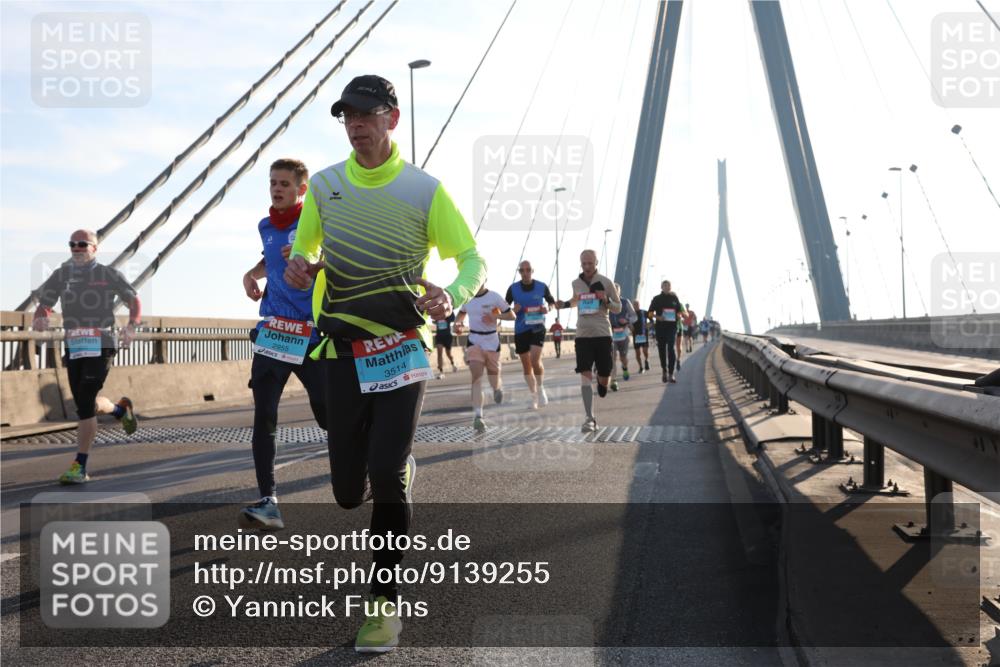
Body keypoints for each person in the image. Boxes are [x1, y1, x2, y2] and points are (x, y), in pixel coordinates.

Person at [285, 74, 486, 653]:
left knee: (389, 478)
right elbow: (306, 248)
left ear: (391, 119)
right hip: (343, 352)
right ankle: (387, 469)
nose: (355, 123)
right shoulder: (323, 187)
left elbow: (471, 257)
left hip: (401, 348)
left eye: (366, 113)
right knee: (349, 492)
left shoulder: (425, 191)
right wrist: (300, 265)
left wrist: (452, 292)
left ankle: (382, 607)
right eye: (347, 114)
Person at [239, 158, 328, 531]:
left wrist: (314, 265)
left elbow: (335, 259)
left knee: (330, 416)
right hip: (274, 330)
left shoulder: (317, 222)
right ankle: (268, 499)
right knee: (266, 418)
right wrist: (251, 274)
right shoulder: (265, 225)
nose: (276, 189)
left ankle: (376, 468)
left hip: (310, 334)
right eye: (272, 183)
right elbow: (268, 258)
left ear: (301, 189)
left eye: (284, 184)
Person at [32, 229, 140, 484]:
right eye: (72, 244)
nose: (77, 248)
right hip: (74, 346)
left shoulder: (107, 273)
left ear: (94, 248)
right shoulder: (62, 274)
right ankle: (119, 409)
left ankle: (79, 465)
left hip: (101, 343)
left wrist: (132, 326)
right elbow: (45, 302)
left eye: (83, 244)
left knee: (86, 398)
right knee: (85, 404)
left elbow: (133, 300)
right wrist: (41, 314)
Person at [554, 249, 621, 432]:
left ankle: (603, 383)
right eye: (584, 263)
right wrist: (565, 304)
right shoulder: (576, 283)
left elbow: (617, 308)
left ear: (596, 262)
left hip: (602, 334)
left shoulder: (607, 282)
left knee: (604, 374)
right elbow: (577, 300)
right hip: (583, 334)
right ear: (580, 263)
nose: (587, 267)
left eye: (590, 263)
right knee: (585, 375)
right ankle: (589, 418)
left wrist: (605, 299)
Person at [454, 284, 514, 432]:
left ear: (484, 279)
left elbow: (512, 315)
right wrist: (458, 323)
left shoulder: (494, 297)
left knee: (494, 377)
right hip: (474, 340)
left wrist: (496, 316)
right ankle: (478, 417)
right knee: (476, 377)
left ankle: (496, 389)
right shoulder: (467, 296)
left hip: (492, 341)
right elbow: (461, 313)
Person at [504, 260, 556, 409]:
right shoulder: (513, 289)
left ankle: (541, 388)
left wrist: (549, 308)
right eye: (522, 270)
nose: (525, 273)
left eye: (528, 270)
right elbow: (504, 307)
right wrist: (513, 309)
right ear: (519, 272)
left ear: (533, 271)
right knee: (526, 366)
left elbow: (551, 302)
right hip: (520, 329)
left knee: (535, 360)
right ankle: (534, 397)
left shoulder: (541, 286)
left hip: (537, 327)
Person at [647, 280, 686, 383]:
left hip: (672, 327)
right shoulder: (656, 299)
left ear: (671, 287)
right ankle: (664, 370)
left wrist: (679, 315)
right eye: (665, 286)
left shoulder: (674, 298)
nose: (667, 287)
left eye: (669, 286)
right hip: (660, 328)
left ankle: (671, 374)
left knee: (671, 349)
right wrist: (657, 317)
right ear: (661, 287)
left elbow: (679, 311)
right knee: (662, 350)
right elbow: (649, 313)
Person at [608, 282, 637, 391]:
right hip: (611, 334)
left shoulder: (625, 302)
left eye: (616, 290)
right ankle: (614, 380)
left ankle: (625, 368)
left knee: (623, 358)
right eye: (612, 290)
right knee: (612, 358)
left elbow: (634, 316)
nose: (614, 292)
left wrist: (627, 320)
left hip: (623, 334)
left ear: (619, 291)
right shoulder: (607, 303)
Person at [433, 313, 457, 377]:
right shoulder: (436, 314)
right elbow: (433, 319)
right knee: (439, 353)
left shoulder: (448, 315)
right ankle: (441, 372)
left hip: (447, 336)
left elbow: (453, 318)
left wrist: (450, 308)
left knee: (448, 354)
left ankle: (453, 363)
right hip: (439, 336)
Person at [631, 299, 651, 373]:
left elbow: (652, 319)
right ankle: (641, 367)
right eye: (634, 304)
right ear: (633, 306)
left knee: (645, 351)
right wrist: (630, 326)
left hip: (643, 335)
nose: (636, 305)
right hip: (635, 336)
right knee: (638, 353)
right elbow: (627, 321)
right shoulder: (631, 313)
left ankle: (646, 360)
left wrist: (649, 324)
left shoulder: (644, 312)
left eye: (637, 304)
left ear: (639, 305)